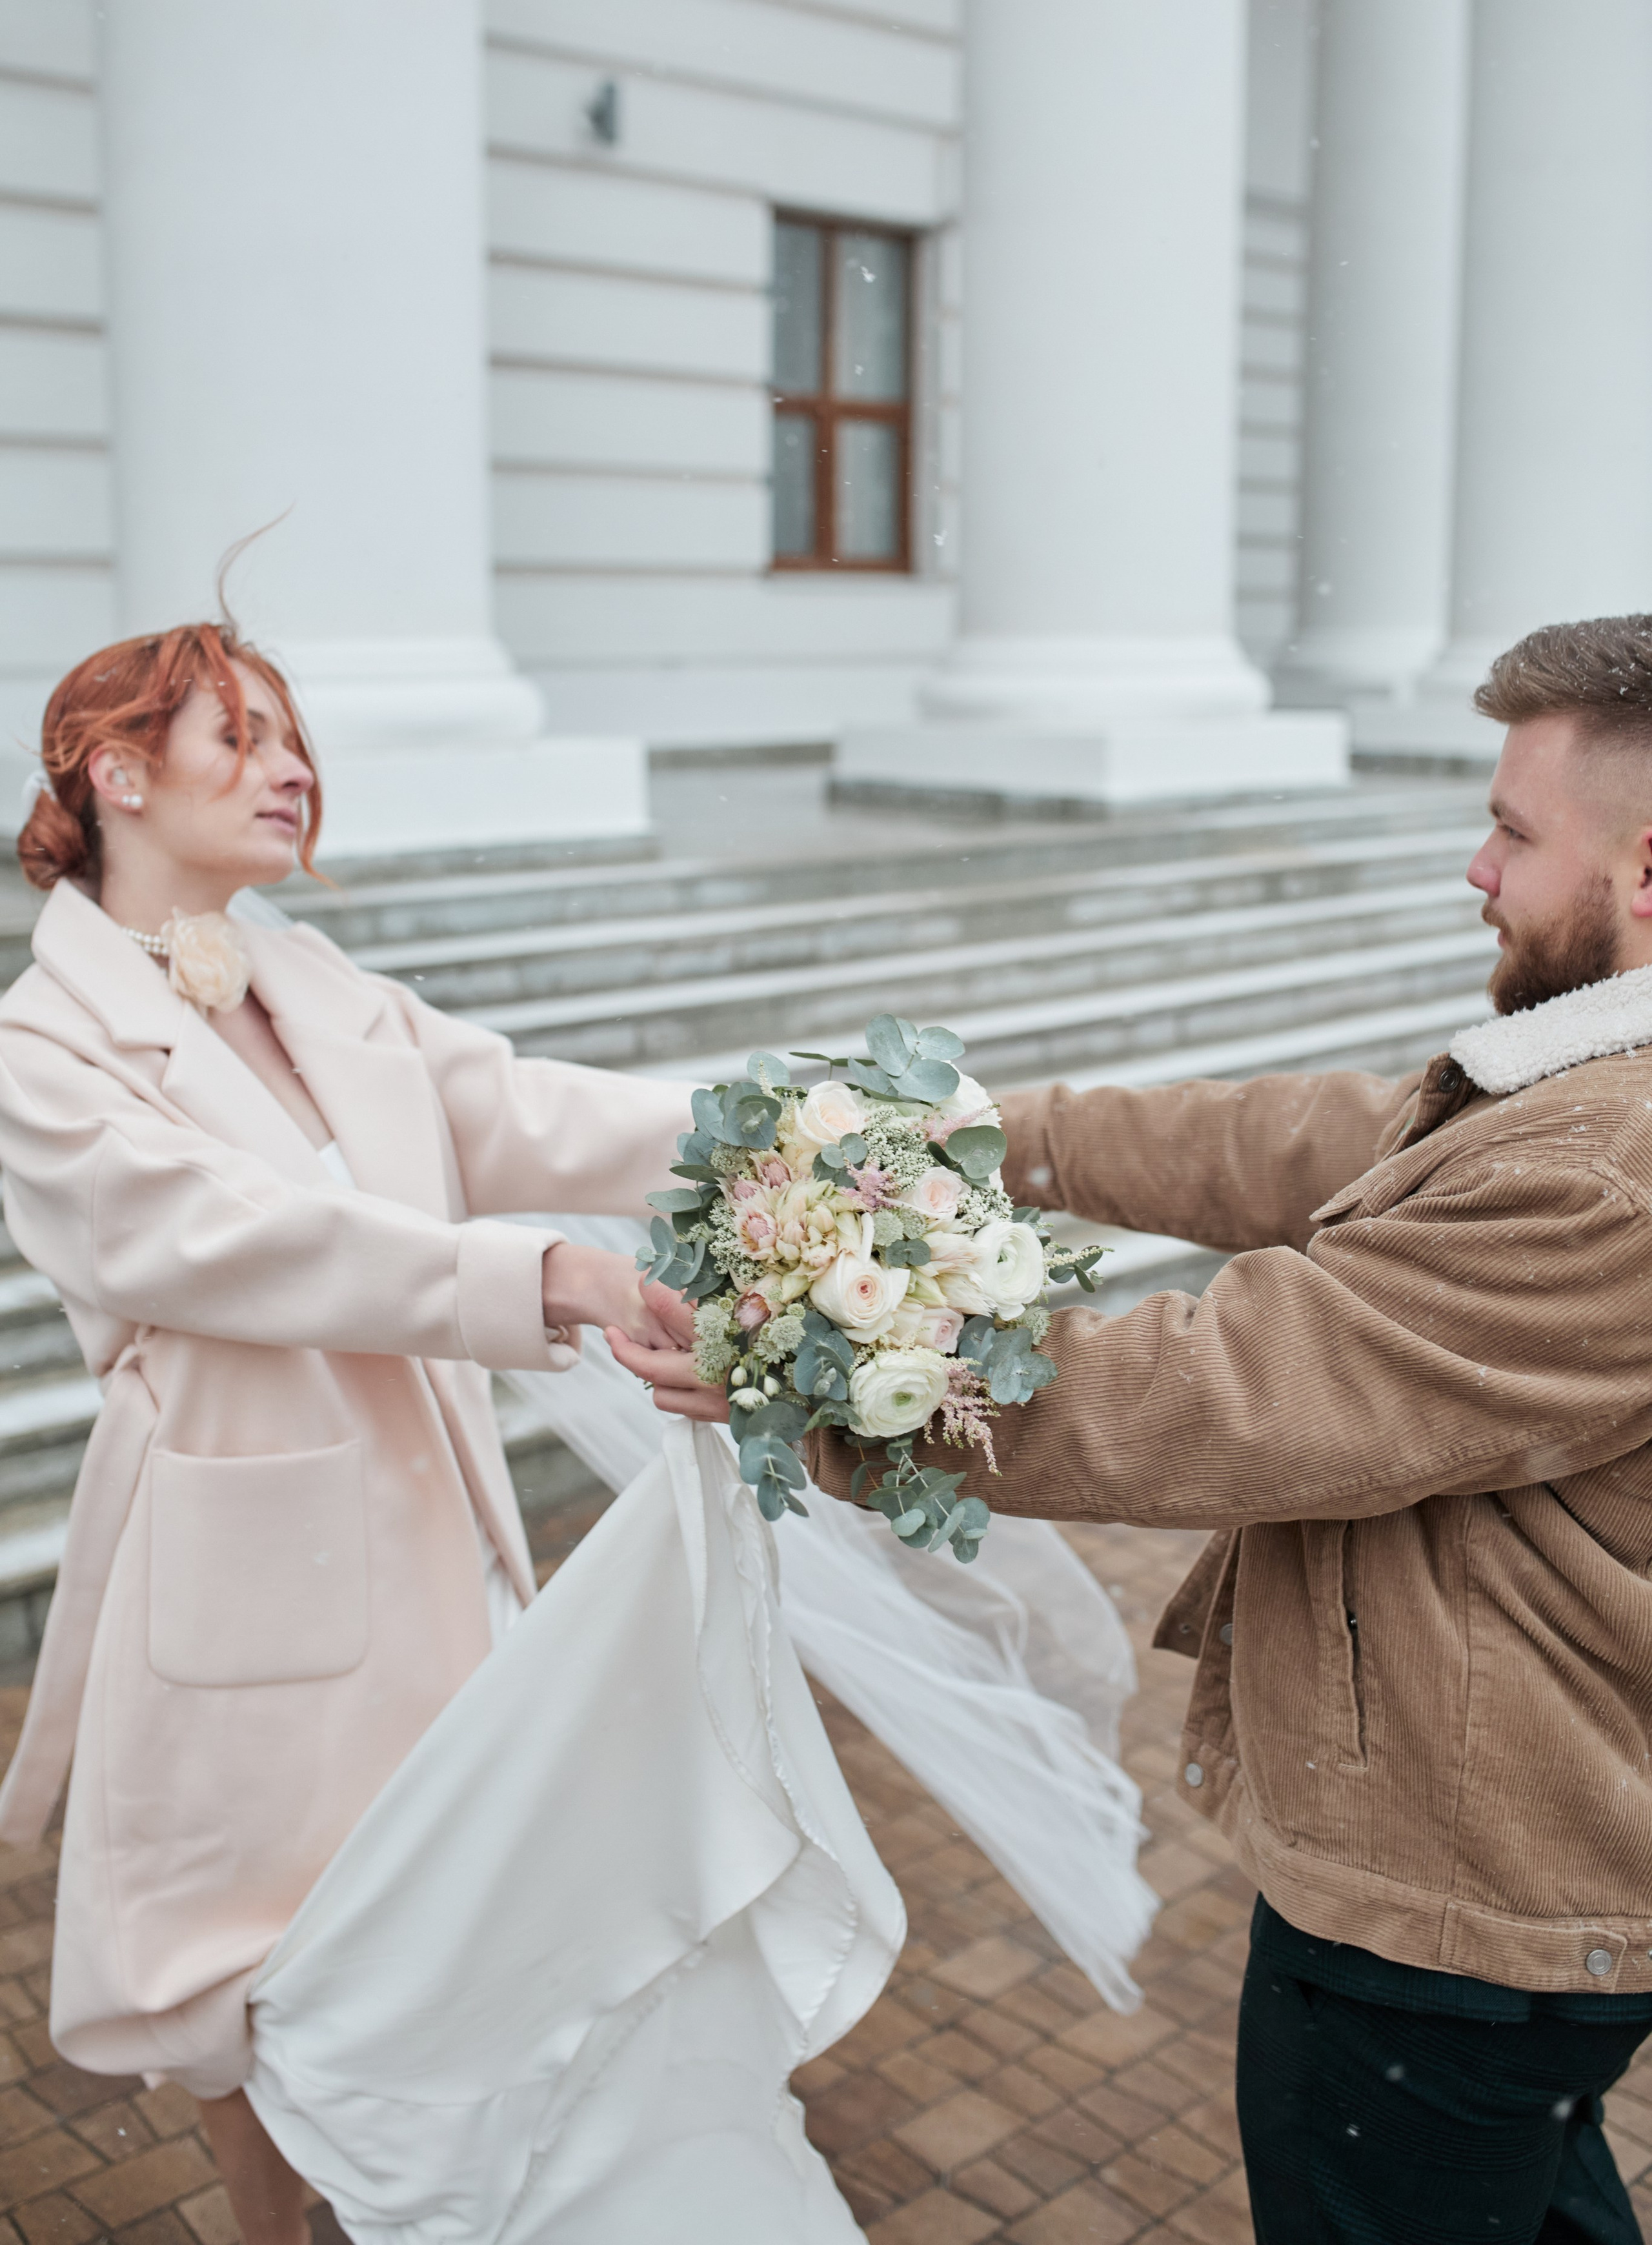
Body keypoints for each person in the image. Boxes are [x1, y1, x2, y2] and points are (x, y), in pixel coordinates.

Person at [628, 614, 1652, 2244]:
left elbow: (1223, 1394)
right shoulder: (1582, 1075)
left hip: (1454, 1917)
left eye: (1512, 833)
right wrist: (984, 1136)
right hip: (1504, 1884)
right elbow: (1301, 1137)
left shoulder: (1608, 1167)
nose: (1473, 869)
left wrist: (814, 1378)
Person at [0, 621, 719, 2241]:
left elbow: (526, 1109)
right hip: (247, 1569)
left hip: (436, 1541)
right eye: (241, 739)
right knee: (252, 1962)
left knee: (448, 1922)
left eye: (294, 737)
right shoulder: (42, 1053)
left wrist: (791, 1123)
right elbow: (247, 1240)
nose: (293, 769)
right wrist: (543, 1271)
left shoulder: (315, 979)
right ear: (117, 774)